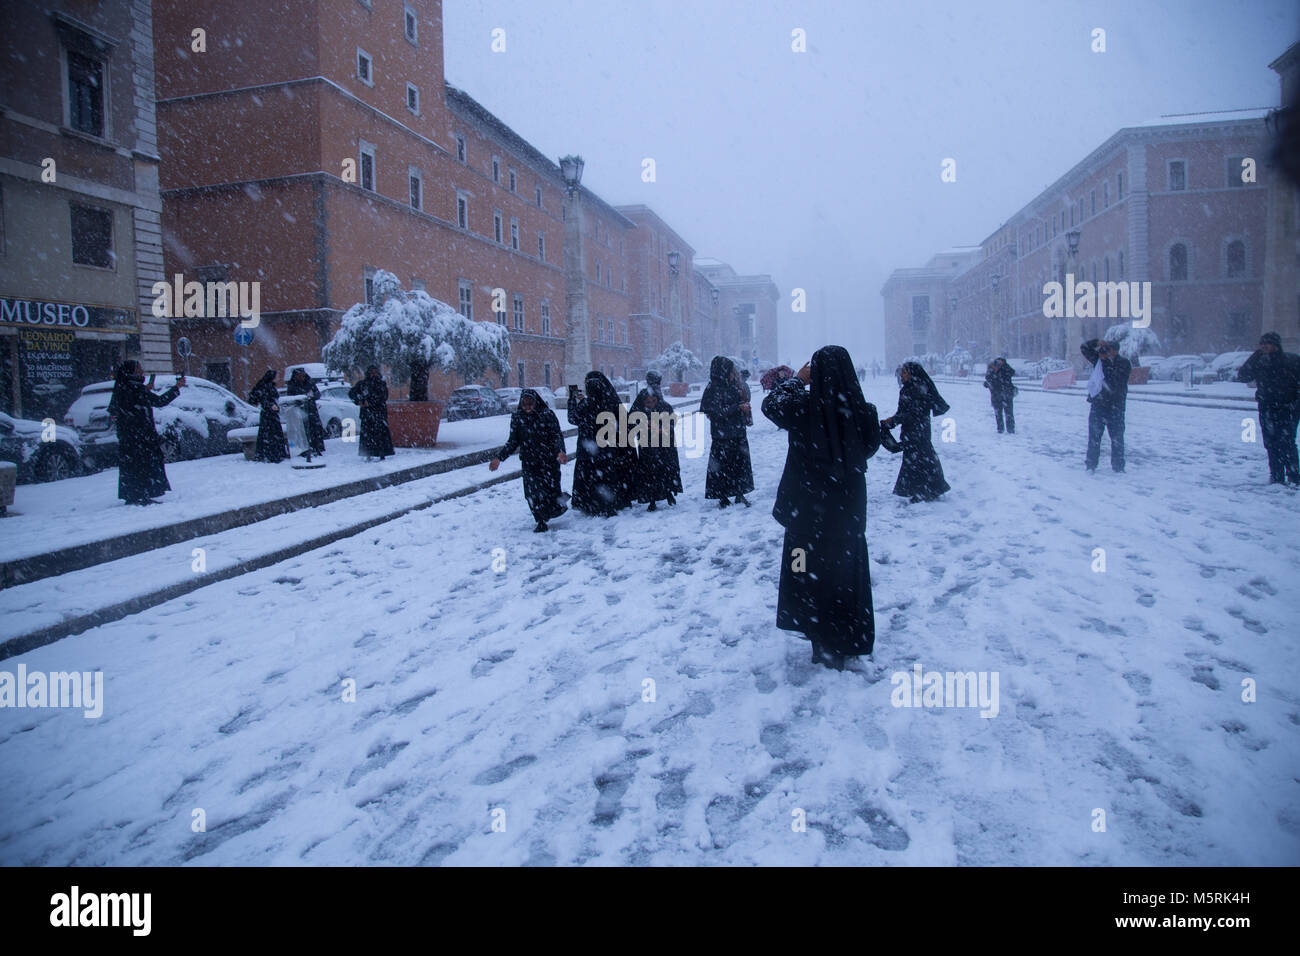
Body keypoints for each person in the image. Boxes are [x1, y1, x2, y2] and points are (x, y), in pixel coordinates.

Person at [763, 345, 881, 670]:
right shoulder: (863, 411)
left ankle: (816, 631)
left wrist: (797, 381)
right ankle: (847, 637)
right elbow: (870, 448)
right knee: (845, 572)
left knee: (805, 570)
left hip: (806, 510)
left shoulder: (802, 409)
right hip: (846, 511)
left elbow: (770, 405)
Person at [490, 389, 570, 531]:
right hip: (529, 462)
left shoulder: (547, 415)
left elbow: (556, 435)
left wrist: (560, 452)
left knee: (550, 491)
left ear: (536, 402)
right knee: (532, 493)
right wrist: (499, 458)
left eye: (530, 403)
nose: (527, 407)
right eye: (524, 403)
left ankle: (557, 503)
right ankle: (540, 521)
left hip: (548, 461)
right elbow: (513, 442)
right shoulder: (517, 418)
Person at [107, 361, 183, 505]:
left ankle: (132, 494)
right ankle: (141, 495)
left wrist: (145, 390)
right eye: (139, 369)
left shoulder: (123, 387)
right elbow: (159, 401)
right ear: (132, 372)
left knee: (131, 466)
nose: (142, 372)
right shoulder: (135, 389)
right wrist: (176, 387)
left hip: (128, 437)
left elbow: (116, 409)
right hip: (141, 436)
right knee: (143, 466)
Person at [567, 370, 636, 516]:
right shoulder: (612, 402)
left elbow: (573, 418)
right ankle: (611, 503)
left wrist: (572, 400)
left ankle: (593, 504)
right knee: (608, 476)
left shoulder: (586, 404)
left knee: (592, 476)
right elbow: (625, 424)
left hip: (588, 451)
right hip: (608, 450)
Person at [881, 361, 951, 502]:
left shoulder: (918, 389)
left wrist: (893, 421)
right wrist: (893, 420)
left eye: (904, 372)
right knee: (920, 460)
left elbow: (913, 413)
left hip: (918, 431)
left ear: (912, 374)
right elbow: (904, 411)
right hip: (914, 430)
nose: (901, 375)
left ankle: (924, 491)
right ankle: (929, 489)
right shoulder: (909, 388)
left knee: (918, 460)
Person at [1236, 331, 1300, 485]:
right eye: (1262, 343)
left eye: (1267, 343)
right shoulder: (1260, 361)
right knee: (1271, 442)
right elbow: (1243, 376)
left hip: (1288, 407)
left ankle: (1294, 474)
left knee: (1287, 441)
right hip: (1267, 407)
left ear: (1276, 345)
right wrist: (1254, 357)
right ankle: (1277, 475)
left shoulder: (1291, 361)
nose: (1264, 346)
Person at [701, 355, 754, 507]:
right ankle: (722, 495)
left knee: (740, 464)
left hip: (737, 431)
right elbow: (715, 412)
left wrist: (744, 408)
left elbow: (740, 402)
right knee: (722, 466)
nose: (732, 374)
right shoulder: (713, 388)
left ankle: (739, 492)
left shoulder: (734, 385)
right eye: (730, 371)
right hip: (722, 435)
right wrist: (737, 407)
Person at [630, 373, 682, 511]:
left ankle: (668, 491)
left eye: (653, 402)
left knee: (665, 469)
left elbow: (671, 422)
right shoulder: (639, 405)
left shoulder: (664, 405)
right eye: (648, 402)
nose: (651, 405)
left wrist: (662, 428)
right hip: (647, 446)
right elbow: (631, 420)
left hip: (664, 444)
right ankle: (652, 499)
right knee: (650, 473)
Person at [1081, 338, 1131, 473]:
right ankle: (1091, 465)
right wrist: (1097, 342)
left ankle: (1118, 466)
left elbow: (1115, 381)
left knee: (1117, 439)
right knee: (1094, 438)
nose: (1106, 352)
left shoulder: (1124, 363)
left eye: (1109, 349)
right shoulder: (1099, 361)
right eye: (1105, 349)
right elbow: (1084, 348)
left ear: (1115, 351)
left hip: (1116, 407)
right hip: (1099, 406)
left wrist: (1104, 361)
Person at [349, 365, 396, 461]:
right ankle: (368, 454)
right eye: (372, 373)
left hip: (379, 413)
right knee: (368, 435)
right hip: (367, 414)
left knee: (380, 435)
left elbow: (383, 396)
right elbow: (352, 393)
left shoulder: (381, 384)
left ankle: (382, 453)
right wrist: (359, 401)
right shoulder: (362, 384)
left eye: (375, 373)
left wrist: (370, 402)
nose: (373, 375)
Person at [286, 368, 327, 456]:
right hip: (300, 411)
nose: (302, 378)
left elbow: (317, 394)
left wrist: (311, 397)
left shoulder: (310, 383)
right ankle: (305, 449)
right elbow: (291, 398)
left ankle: (316, 447)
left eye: (303, 376)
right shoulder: (292, 385)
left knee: (314, 429)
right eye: (299, 376)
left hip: (311, 409)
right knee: (303, 431)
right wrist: (301, 398)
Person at [983, 357, 1017, 434]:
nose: (998, 365)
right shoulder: (992, 369)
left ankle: (1007, 429)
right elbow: (988, 379)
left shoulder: (1005, 369)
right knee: (1002, 412)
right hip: (1000, 394)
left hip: (1003, 394)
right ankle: (1003, 429)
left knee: (1005, 412)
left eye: (1000, 363)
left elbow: (1011, 373)